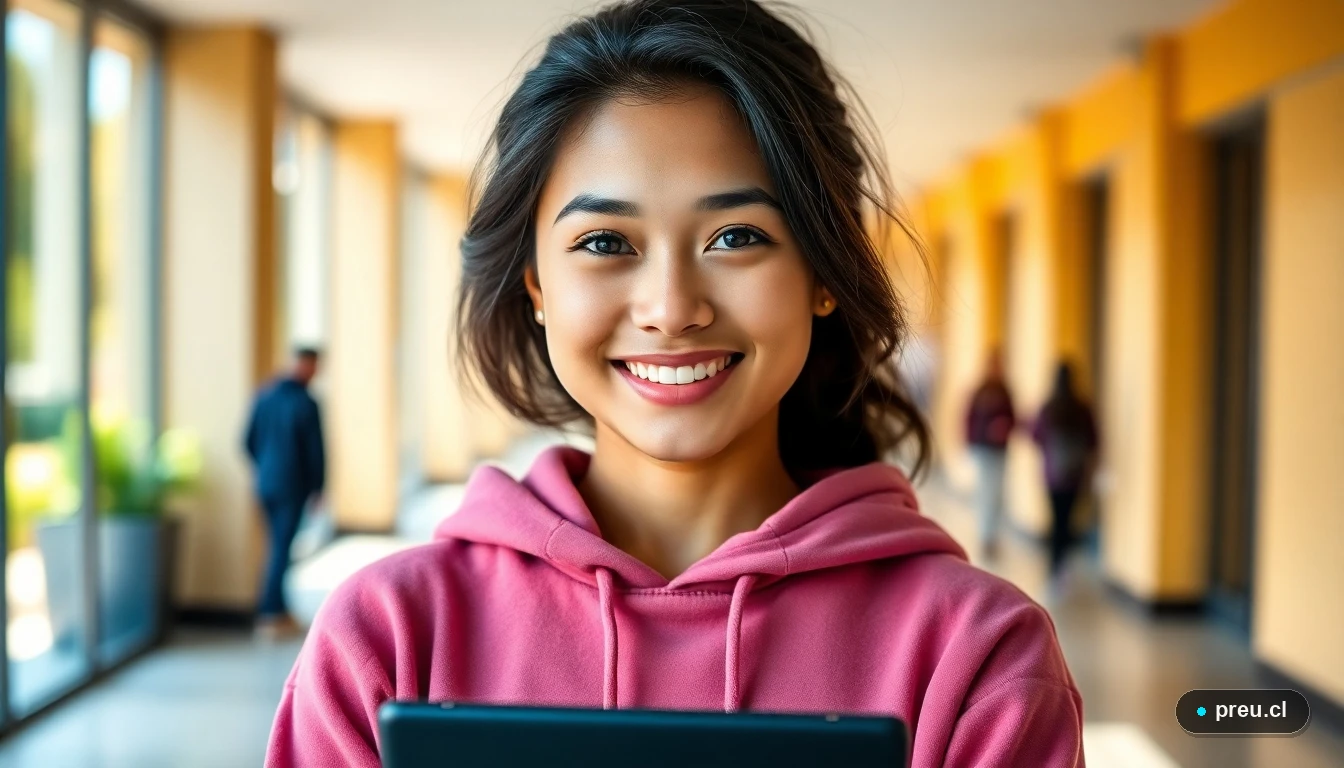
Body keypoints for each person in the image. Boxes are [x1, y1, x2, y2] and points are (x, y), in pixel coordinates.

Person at [266, 2, 1083, 766]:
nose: (671, 308)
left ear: (822, 272)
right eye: (604, 243)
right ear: (536, 285)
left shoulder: (977, 658)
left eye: (735, 235)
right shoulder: (388, 639)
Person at [245, 347, 325, 640]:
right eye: (314, 366)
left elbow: (247, 440)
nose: (316, 372)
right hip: (293, 486)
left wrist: (265, 469)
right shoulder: (306, 402)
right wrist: (318, 486)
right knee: (281, 548)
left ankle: (276, 607)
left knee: (276, 546)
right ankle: (271, 612)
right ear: (304, 364)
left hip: (265, 483)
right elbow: (315, 451)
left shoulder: (263, 396)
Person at [1031, 362, 1098, 588]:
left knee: (1055, 520)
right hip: (1075, 475)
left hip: (1053, 475)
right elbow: (1093, 440)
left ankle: (1054, 567)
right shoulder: (1082, 407)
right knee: (1067, 521)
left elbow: (1035, 435)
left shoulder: (1049, 407)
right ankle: (1063, 565)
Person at [964, 349, 1015, 558]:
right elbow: (969, 418)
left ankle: (993, 535)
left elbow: (1013, 417)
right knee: (985, 492)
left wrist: (1004, 427)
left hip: (1000, 449)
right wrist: (971, 441)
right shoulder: (981, 390)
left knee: (998, 493)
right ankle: (985, 535)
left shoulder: (1005, 390)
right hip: (983, 449)